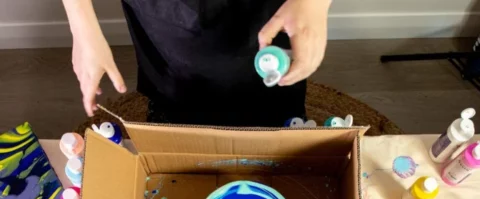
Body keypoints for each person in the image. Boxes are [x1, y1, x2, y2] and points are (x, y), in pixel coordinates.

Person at [62, 0, 331, 127]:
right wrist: (80, 22)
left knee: (272, 101)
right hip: (166, 14)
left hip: (266, 11)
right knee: (176, 90)